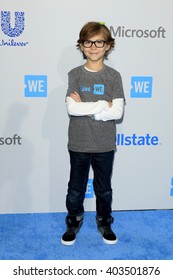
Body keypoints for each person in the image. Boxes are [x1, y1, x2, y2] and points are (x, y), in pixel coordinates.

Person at [61, 22, 125, 246]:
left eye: (99, 42)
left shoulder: (114, 76)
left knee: (103, 188)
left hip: (104, 144)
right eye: (88, 42)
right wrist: (101, 105)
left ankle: (104, 221)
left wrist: (90, 110)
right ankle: (73, 221)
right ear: (81, 45)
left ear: (108, 45)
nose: (94, 47)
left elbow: (117, 111)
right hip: (78, 143)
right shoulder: (75, 74)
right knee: (75, 189)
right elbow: (72, 108)